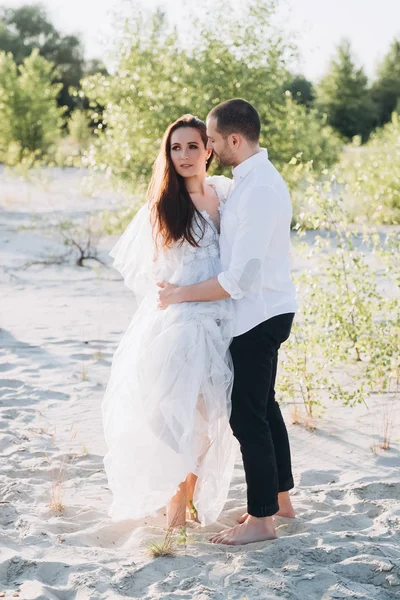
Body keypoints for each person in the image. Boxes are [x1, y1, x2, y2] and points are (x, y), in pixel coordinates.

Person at [157, 99, 298, 545]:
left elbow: (240, 278)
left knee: (247, 417)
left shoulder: (256, 191)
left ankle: (262, 521)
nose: (208, 149)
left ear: (233, 140)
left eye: (212, 141)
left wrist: (182, 294)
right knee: (265, 407)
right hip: (256, 311)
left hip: (256, 315)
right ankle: (281, 502)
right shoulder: (245, 184)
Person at [102, 114, 237, 528]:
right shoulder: (163, 205)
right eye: (175, 148)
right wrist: (174, 296)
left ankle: (187, 500)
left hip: (223, 319)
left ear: (209, 149)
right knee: (181, 415)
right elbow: (152, 274)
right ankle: (175, 512)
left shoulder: (225, 193)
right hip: (182, 322)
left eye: (192, 146)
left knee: (210, 418)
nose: (183, 155)